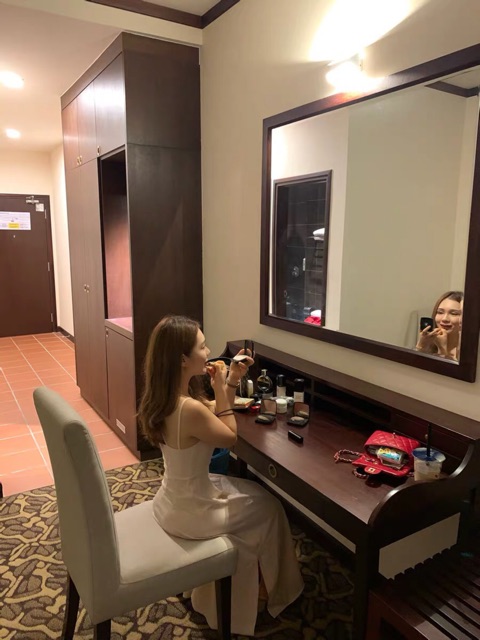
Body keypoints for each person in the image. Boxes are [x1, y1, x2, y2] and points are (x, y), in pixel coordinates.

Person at [138, 315, 304, 637]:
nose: (209, 351)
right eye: (202, 347)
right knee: (270, 507)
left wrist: (229, 383)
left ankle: (248, 589)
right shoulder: (190, 409)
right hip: (193, 511)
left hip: (171, 501)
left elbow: (210, 410)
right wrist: (219, 385)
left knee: (250, 498)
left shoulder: (165, 398)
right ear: (183, 359)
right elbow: (229, 436)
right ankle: (280, 591)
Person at [415, 291, 463, 361]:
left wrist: (442, 349)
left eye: (454, 313)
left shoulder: (468, 352)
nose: (444, 319)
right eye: (440, 312)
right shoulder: (428, 345)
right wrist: (421, 347)